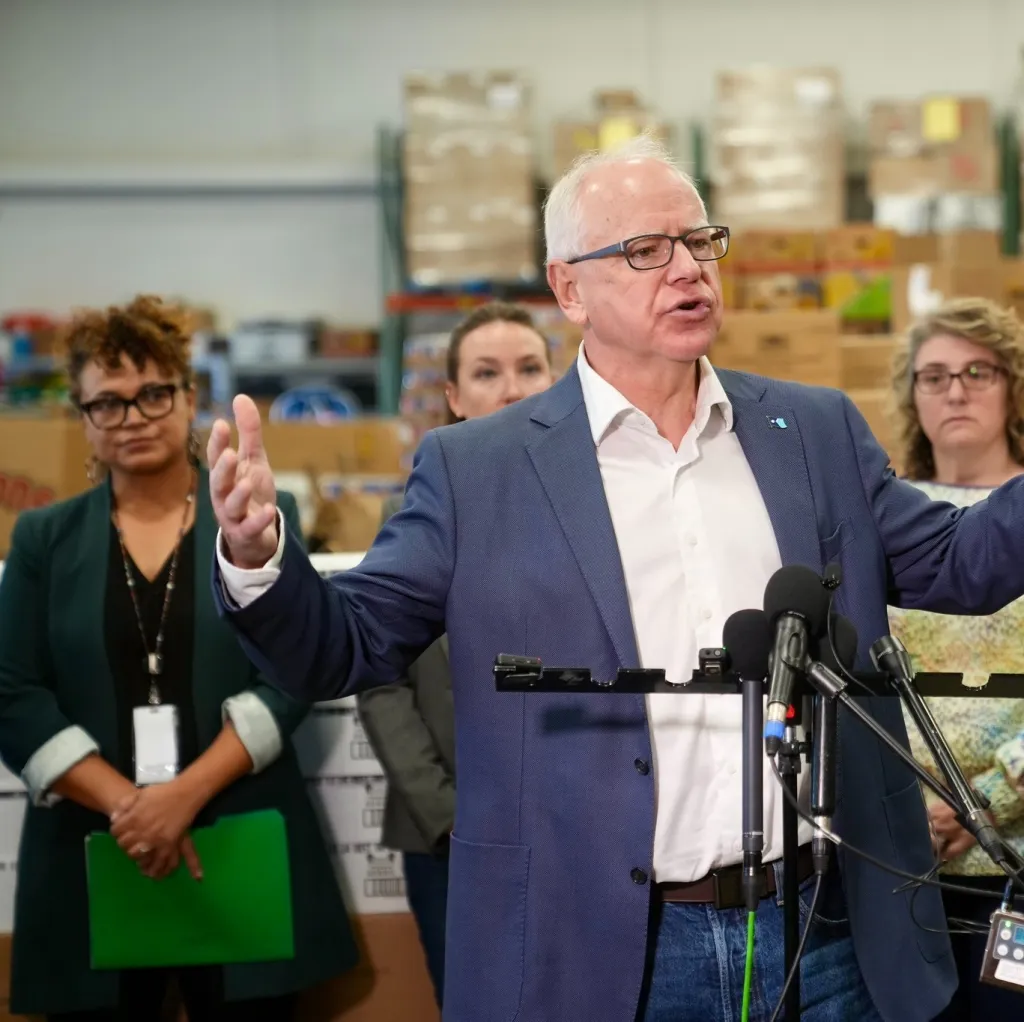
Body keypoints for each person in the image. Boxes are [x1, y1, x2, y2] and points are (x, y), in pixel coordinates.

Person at [203, 134, 1024, 1022]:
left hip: (825, 934)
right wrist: (258, 557)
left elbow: (959, 563)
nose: (686, 270)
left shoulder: (812, 429)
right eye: (644, 250)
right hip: (603, 950)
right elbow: (345, 646)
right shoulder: (478, 470)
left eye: (700, 241)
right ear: (568, 289)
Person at [0, 296, 357, 1021]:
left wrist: (183, 795)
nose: (132, 417)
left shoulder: (259, 512)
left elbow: (294, 671)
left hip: (240, 832)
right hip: (96, 844)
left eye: (153, 393)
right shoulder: (43, 539)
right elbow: (11, 692)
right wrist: (134, 809)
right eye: (108, 403)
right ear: (84, 419)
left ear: (189, 397)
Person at [357, 301, 555, 1007]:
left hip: (578, 830)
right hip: (448, 832)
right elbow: (381, 682)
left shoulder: (606, 508)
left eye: (530, 368)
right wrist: (446, 813)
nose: (512, 388)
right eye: (487, 372)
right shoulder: (415, 515)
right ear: (452, 397)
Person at [886, 297, 1024, 1020]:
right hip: (898, 858)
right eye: (934, 376)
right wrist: (902, 809)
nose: (957, 390)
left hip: (1014, 861)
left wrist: (981, 808)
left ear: (1014, 384)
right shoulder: (879, 518)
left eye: (978, 370)